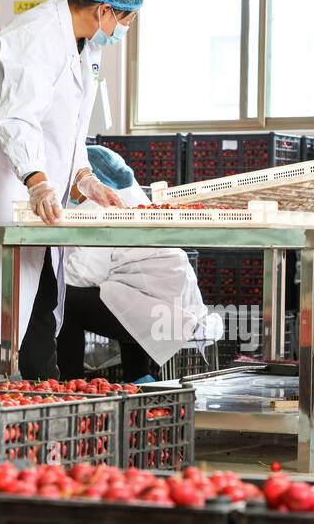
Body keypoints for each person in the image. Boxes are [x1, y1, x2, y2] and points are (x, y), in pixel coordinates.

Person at [0, 0, 144, 379]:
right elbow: (18, 120)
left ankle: (37, 407)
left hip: (32, 192)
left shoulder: (87, 46)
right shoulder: (37, 35)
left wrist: (83, 176)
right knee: (6, 310)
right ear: (103, 10)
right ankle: (7, 409)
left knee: (40, 303)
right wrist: (38, 181)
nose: (125, 28)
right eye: (126, 18)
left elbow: (69, 129)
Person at [58, 146, 219, 383]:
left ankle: (69, 385)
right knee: (118, 292)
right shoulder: (137, 199)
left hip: (167, 318)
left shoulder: (105, 208)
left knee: (65, 301)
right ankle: (139, 377)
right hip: (178, 308)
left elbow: (83, 275)